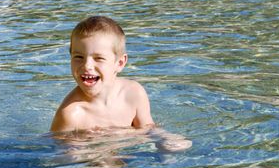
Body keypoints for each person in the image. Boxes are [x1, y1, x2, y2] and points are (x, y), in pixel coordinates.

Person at [50, 16, 191, 151]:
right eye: (78, 57)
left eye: (98, 58)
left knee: (175, 148)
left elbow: (148, 128)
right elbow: (63, 156)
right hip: (96, 158)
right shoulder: (71, 114)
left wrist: (164, 138)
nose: (87, 65)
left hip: (129, 150)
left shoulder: (133, 92)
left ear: (120, 63)